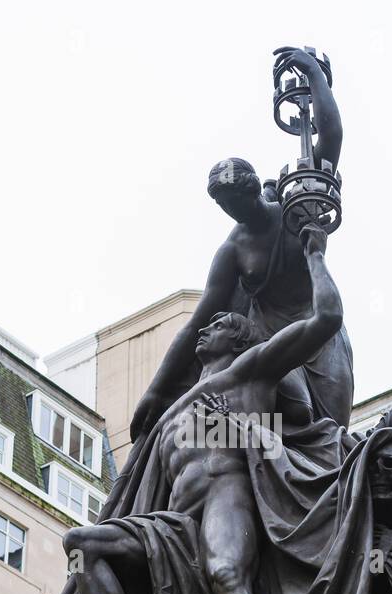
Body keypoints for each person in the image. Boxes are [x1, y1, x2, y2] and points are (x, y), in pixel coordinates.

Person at [64, 224, 342, 594]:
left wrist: (315, 257)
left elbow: (325, 320)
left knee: (227, 573)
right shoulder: (175, 408)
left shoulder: (249, 370)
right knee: (82, 545)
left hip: (225, 497)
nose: (204, 329)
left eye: (214, 326)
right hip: (172, 522)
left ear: (236, 340)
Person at [128, 47, 351, 442]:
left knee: (329, 433)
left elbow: (331, 135)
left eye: (238, 202)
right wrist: (158, 390)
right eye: (225, 206)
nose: (233, 212)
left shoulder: (294, 207)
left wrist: (314, 72)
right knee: (259, 433)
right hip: (266, 342)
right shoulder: (233, 250)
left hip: (319, 330)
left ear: (251, 192)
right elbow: (199, 321)